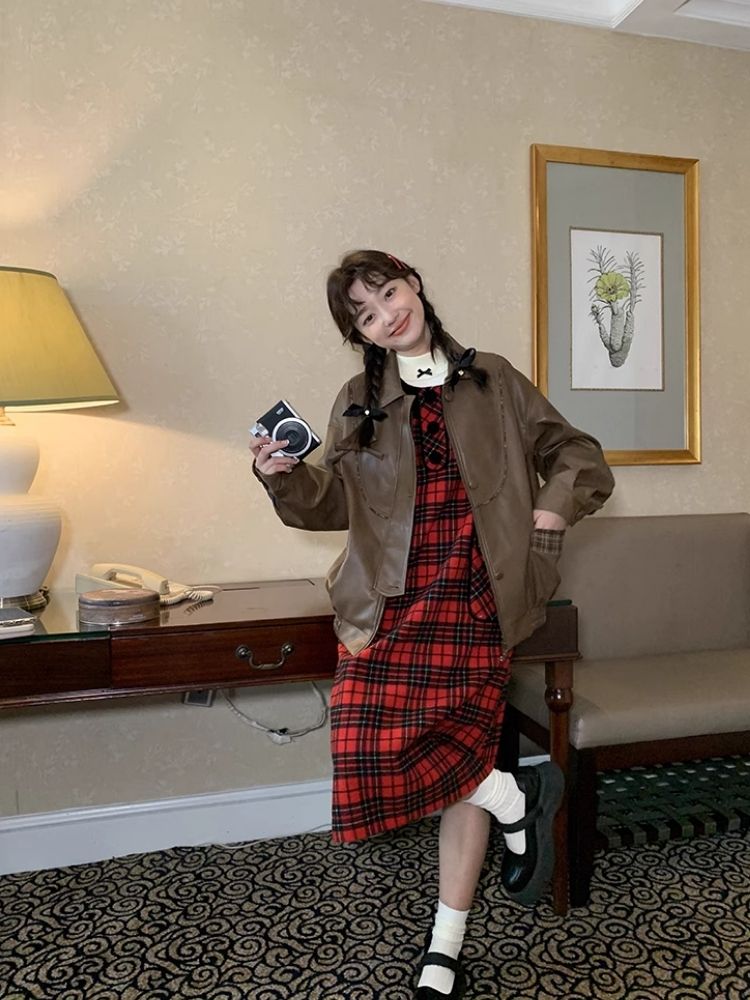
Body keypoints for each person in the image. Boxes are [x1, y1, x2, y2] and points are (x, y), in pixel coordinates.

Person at [249, 249, 614, 999]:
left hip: (478, 601)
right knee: (363, 750)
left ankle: (445, 946)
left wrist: (551, 512)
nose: (387, 314)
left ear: (412, 283)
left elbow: (577, 454)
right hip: (389, 606)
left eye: (389, 292)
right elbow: (334, 503)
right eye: (366, 314)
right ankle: (516, 797)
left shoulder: (495, 380)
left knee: (458, 773)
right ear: (361, 334)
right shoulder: (357, 399)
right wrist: (281, 478)